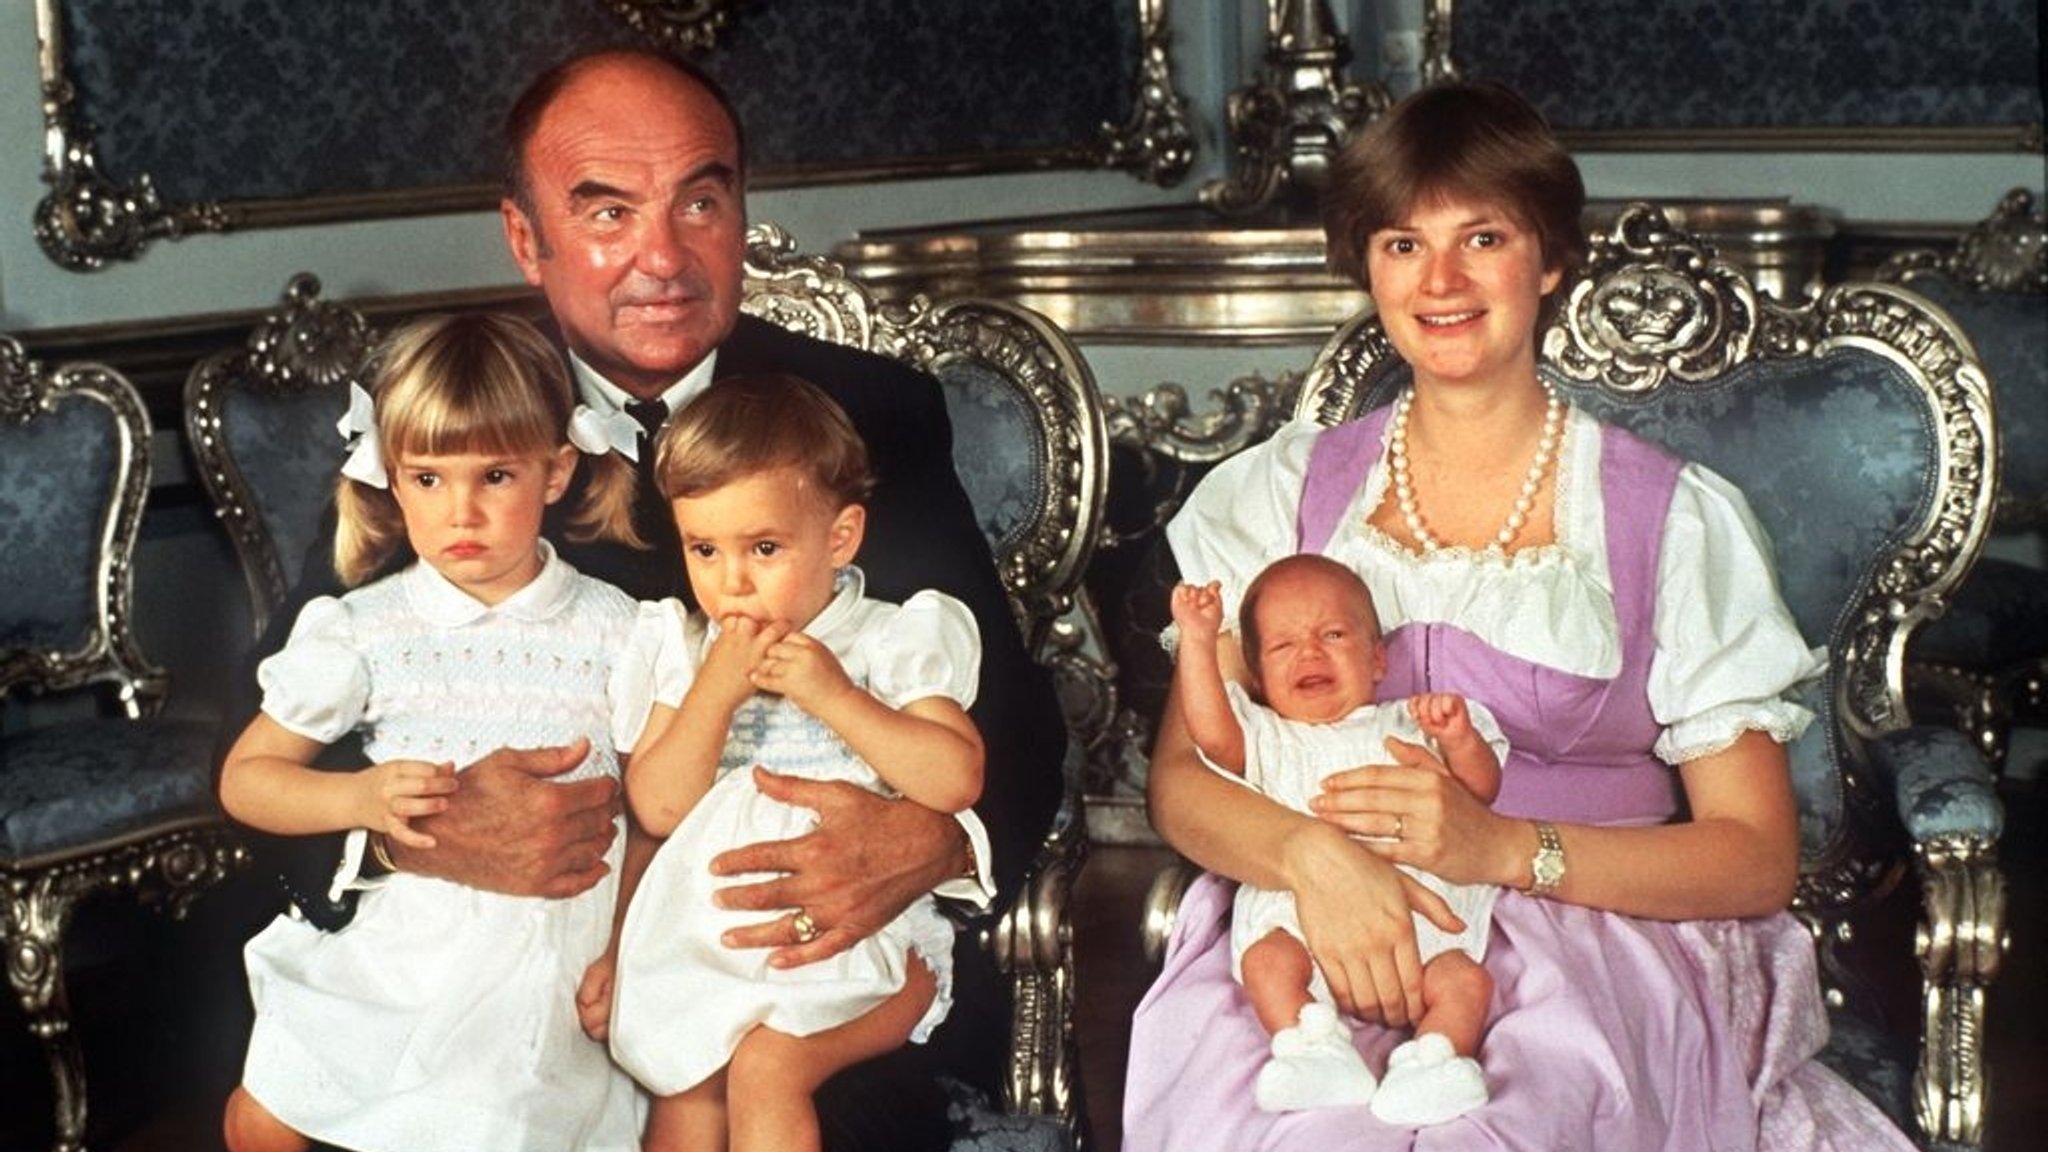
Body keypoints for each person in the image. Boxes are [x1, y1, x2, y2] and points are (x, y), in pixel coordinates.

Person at [219, 47, 1065, 1148]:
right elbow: (284, 746)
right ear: (526, 238)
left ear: (739, 211)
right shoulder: (455, 415)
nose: (662, 257)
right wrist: (409, 838)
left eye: (698, 202)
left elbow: (1016, 723)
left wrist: (936, 846)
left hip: (793, 966)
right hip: (488, 970)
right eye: (607, 212)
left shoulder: (866, 406)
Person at [1122, 80, 1917, 1150]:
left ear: (1547, 261)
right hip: (1306, 919)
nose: (1439, 282)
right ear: (1367, 267)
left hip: (1593, 927)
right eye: (1402, 244)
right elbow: (1183, 782)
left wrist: (1503, 848)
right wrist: (1317, 860)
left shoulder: (1670, 519)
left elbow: (1751, 856)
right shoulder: (1277, 494)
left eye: (1481, 238)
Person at [216, 313, 644, 1152]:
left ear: (557, 473)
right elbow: (249, 779)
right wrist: (363, 796)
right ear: (390, 480)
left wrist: (628, 944)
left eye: (495, 475)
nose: (463, 512)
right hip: (408, 947)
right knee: (262, 1116)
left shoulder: (622, 628)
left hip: (549, 954)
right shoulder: (363, 628)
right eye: (428, 479)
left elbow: (661, 807)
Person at [590, 372, 985, 1151]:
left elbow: (954, 779)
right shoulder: (689, 650)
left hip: (861, 945)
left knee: (768, 1068)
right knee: (685, 1090)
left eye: (764, 548)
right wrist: (714, 694)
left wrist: (836, 695)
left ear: (840, 538)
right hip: (709, 944)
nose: (731, 582)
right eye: (704, 549)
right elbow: (660, 807)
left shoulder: (888, 639)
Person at [1170, 555, 1506, 1124]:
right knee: (1267, 962)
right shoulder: (1268, 736)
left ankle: (1436, 1061)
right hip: (1299, 911)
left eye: (1333, 634)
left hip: (1424, 915)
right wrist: (1199, 641)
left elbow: (1481, 790)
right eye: (1282, 646)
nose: (1310, 652)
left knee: (1465, 980)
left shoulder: (1408, 723)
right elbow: (1208, 731)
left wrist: (1458, 739)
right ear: (1256, 675)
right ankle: (1311, 1047)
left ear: (1377, 659)